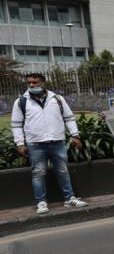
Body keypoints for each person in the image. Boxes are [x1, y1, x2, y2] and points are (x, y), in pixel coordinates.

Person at [11, 72, 88, 213]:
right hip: (35, 144)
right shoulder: (21, 102)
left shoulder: (57, 99)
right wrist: (20, 143)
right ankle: (41, 202)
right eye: (29, 83)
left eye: (35, 82)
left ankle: (69, 198)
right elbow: (16, 125)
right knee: (38, 173)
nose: (31, 85)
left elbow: (69, 118)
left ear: (43, 83)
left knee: (63, 171)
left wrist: (75, 135)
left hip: (57, 142)